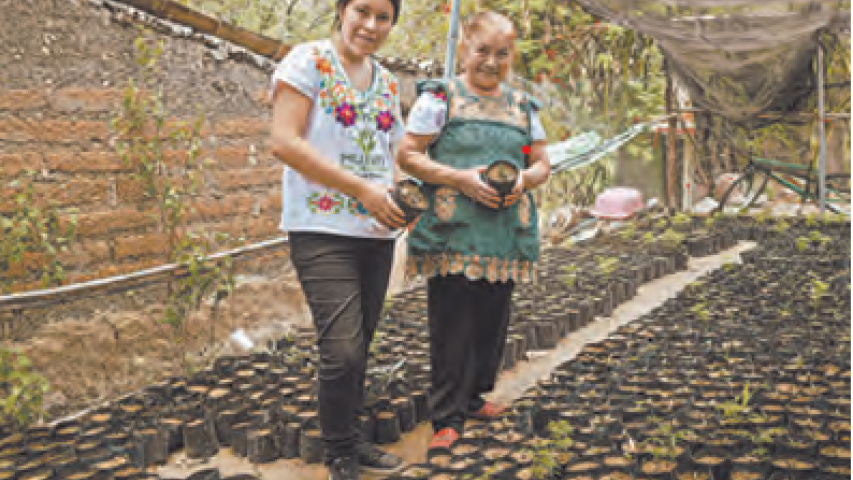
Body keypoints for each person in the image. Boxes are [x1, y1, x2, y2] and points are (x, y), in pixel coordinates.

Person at [396, 11, 552, 452]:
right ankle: (446, 415)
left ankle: (474, 396)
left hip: (503, 230)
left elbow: (541, 163)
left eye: (501, 53)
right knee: (452, 322)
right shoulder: (441, 98)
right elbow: (408, 156)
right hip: (454, 229)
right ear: (466, 48)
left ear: (511, 55)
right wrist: (461, 178)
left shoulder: (522, 106)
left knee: (492, 317)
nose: (490, 61)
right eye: (482, 51)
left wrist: (523, 180)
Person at [269, 0, 409, 478]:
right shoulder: (307, 62)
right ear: (342, 10)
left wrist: (397, 199)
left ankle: (351, 439)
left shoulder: (387, 81)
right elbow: (284, 141)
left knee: (360, 345)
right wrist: (360, 190)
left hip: (375, 229)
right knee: (343, 347)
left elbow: (394, 154)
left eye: (383, 16)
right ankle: (341, 455)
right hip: (321, 228)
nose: (370, 25)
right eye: (361, 11)